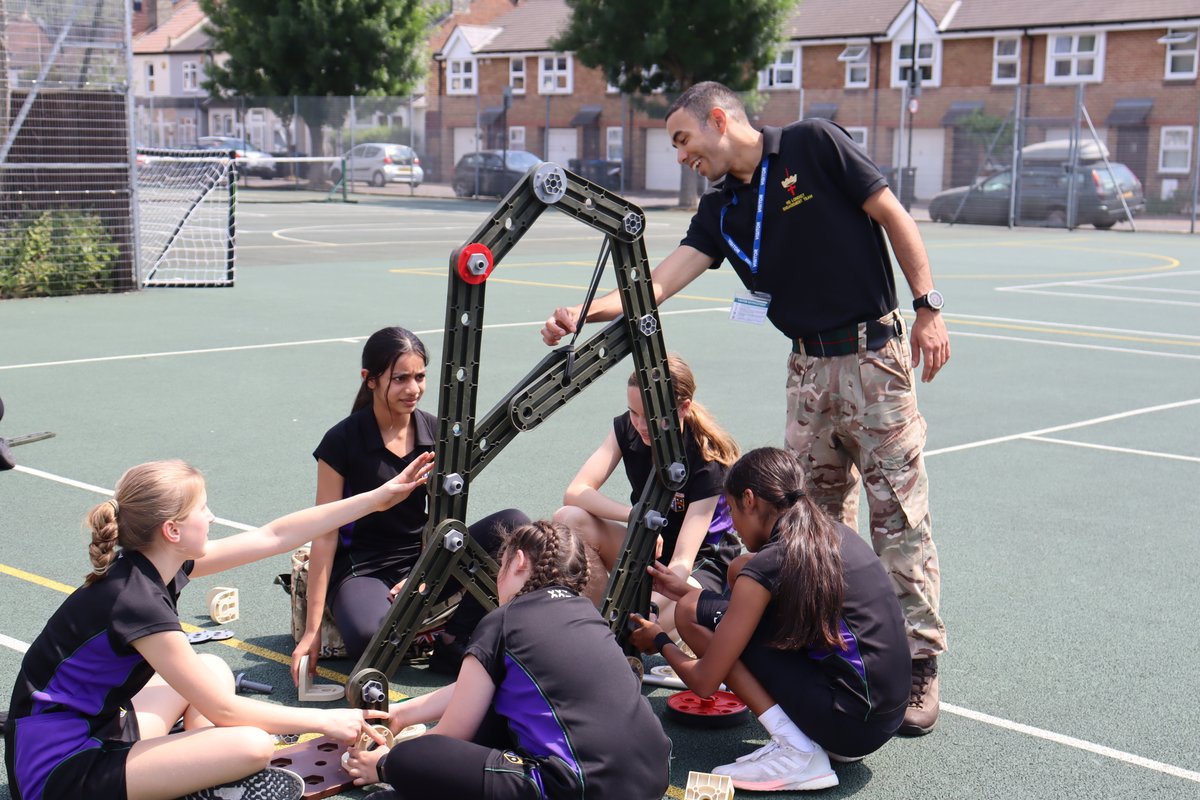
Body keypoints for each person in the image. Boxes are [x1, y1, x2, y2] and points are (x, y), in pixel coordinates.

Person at [541, 81, 949, 734]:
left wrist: (928, 306)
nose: (679, 155)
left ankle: (920, 663)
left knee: (898, 514)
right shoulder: (722, 207)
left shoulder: (814, 146)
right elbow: (662, 280)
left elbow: (894, 214)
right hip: (806, 368)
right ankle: (830, 645)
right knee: (808, 523)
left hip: (873, 357)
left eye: (682, 139)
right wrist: (584, 312)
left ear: (720, 120)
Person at [3, 455, 433, 800]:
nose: (211, 516)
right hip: (57, 772)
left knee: (210, 667)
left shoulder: (151, 567)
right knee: (252, 745)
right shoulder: (139, 604)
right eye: (202, 509)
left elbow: (273, 535)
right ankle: (208, 777)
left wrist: (376, 499)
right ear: (173, 530)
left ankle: (204, 781)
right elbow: (227, 712)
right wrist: (328, 721)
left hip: (91, 729)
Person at [630, 447, 910, 791]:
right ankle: (805, 737)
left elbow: (704, 682)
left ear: (749, 499)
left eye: (731, 510)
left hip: (850, 726)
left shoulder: (773, 562)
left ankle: (798, 752)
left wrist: (659, 639)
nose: (732, 524)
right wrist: (684, 588)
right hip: (883, 715)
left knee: (692, 614)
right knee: (736, 570)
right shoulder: (830, 533)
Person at [341, 520, 672, 800]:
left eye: (501, 563)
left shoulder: (504, 620)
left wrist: (386, 761)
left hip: (579, 787)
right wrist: (402, 713)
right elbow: (477, 687)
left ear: (518, 562)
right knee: (497, 709)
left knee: (414, 756)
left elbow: (451, 734)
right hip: (653, 775)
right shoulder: (588, 615)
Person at [293, 326, 529, 680]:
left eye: (420, 377)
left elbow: (446, 519)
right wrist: (311, 631)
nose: (413, 389)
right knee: (370, 639)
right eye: (400, 378)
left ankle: (454, 639)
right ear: (369, 380)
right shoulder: (341, 441)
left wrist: (425, 572)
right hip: (364, 569)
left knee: (515, 524)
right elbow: (324, 533)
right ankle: (416, 627)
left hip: (423, 558)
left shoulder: (438, 433)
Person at [553, 353, 740, 634]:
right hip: (648, 547)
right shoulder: (627, 429)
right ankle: (601, 624)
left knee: (643, 621)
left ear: (683, 408)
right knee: (569, 518)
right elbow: (576, 492)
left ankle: (621, 626)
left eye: (650, 417)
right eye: (633, 412)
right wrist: (635, 515)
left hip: (699, 566)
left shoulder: (706, 458)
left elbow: (682, 562)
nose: (640, 425)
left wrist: (650, 603)